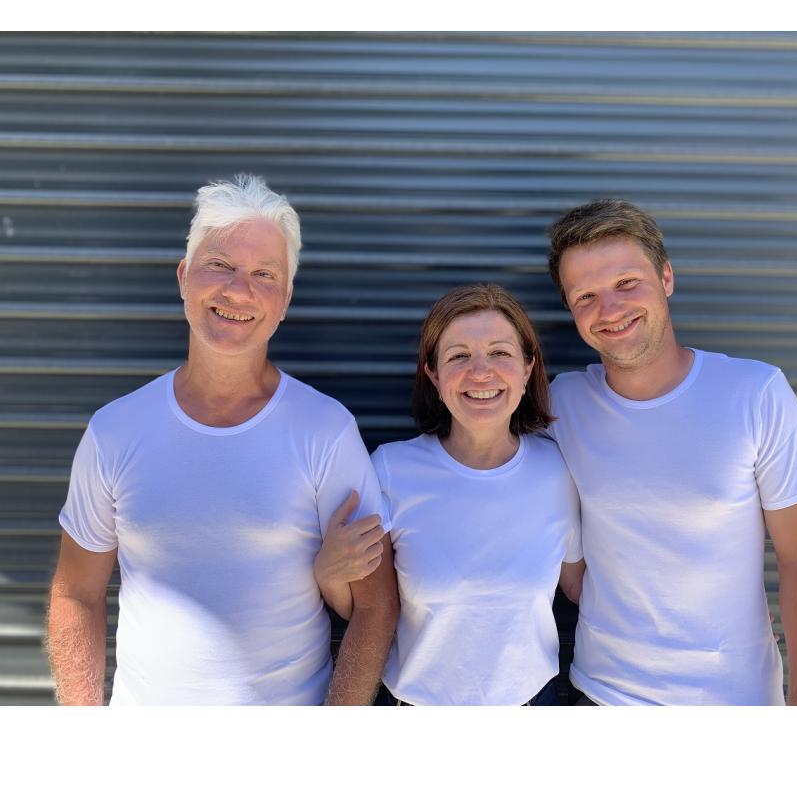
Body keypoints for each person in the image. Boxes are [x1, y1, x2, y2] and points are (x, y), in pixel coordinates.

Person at [46, 174, 399, 705]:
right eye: (219, 265)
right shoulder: (115, 431)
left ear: (285, 298)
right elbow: (76, 593)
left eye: (264, 273)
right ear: (184, 277)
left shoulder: (325, 431)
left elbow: (376, 606)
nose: (238, 290)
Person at [545, 198, 797, 705]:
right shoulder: (563, 403)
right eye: (586, 296)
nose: (609, 310)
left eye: (626, 283)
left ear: (666, 278)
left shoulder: (755, 393)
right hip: (600, 696)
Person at [315, 284, 584, 705]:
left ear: (527, 369)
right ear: (434, 375)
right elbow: (364, 609)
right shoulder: (390, 469)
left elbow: (580, 586)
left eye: (500, 352)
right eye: (459, 356)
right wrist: (327, 574)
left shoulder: (559, 470)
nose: (481, 372)